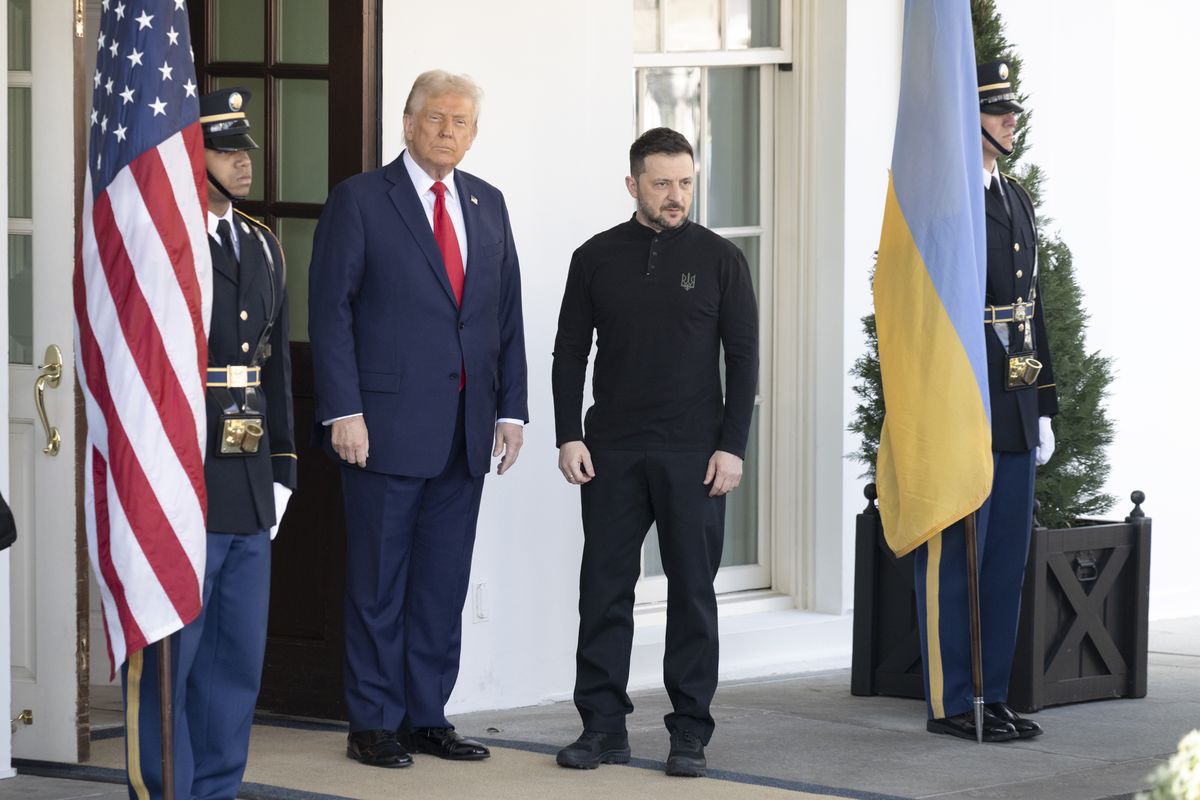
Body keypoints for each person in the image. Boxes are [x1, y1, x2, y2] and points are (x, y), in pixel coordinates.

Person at [308, 69, 528, 769]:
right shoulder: (360, 200)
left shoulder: (487, 203)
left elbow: (505, 315)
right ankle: (373, 722)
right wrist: (344, 410)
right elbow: (330, 312)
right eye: (436, 118)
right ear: (408, 124)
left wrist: (512, 410)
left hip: (466, 431)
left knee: (440, 585)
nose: (447, 131)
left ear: (473, 134)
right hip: (381, 429)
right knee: (378, 584)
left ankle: (426, 715)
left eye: (461, 122)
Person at [551, 127, 758, 778]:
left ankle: (689, 733)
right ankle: (601, 728)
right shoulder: (594, 257)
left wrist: (731, 447)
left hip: (694, 455)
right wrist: (568, 434)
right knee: (603, 592)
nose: (676, 195)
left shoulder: (722, 259)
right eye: (662, 183)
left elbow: (744, 359)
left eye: (685, 182)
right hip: (610, 452)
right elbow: (569, 352)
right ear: (633, 184)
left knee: (693, 594)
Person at [123, 87, 296, 798]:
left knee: (235, 662)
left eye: (244, 151)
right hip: (181, 476)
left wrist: (282, 468)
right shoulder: (165, 244)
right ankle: (165, 789)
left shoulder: (261, 243)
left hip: (248, 480)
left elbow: (274, 366)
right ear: (194, 161)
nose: (243, 163)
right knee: (173, 658)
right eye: (226, 153)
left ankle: (218, 789)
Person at [915, 61, 1058, 743]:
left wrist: (1042, 403)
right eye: (997, 111)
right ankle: (952, 702)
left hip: (1014, 401)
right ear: (965, 121)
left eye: (1012, 110)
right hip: (964, 398)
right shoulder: (946, 204)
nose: (1011, 120)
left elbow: (1030, 310)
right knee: (957, 563)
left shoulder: (1014, 196)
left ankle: (991, 694)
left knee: (1005, 559)